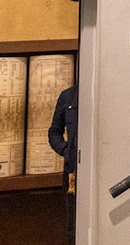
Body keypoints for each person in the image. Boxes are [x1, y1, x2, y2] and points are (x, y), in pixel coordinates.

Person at [48, 84, 77, 245]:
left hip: (96, 171)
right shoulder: (67, 96)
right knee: (72, 226)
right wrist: (66, 150)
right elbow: (54, 132)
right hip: (72, 173)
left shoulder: (98, 94)